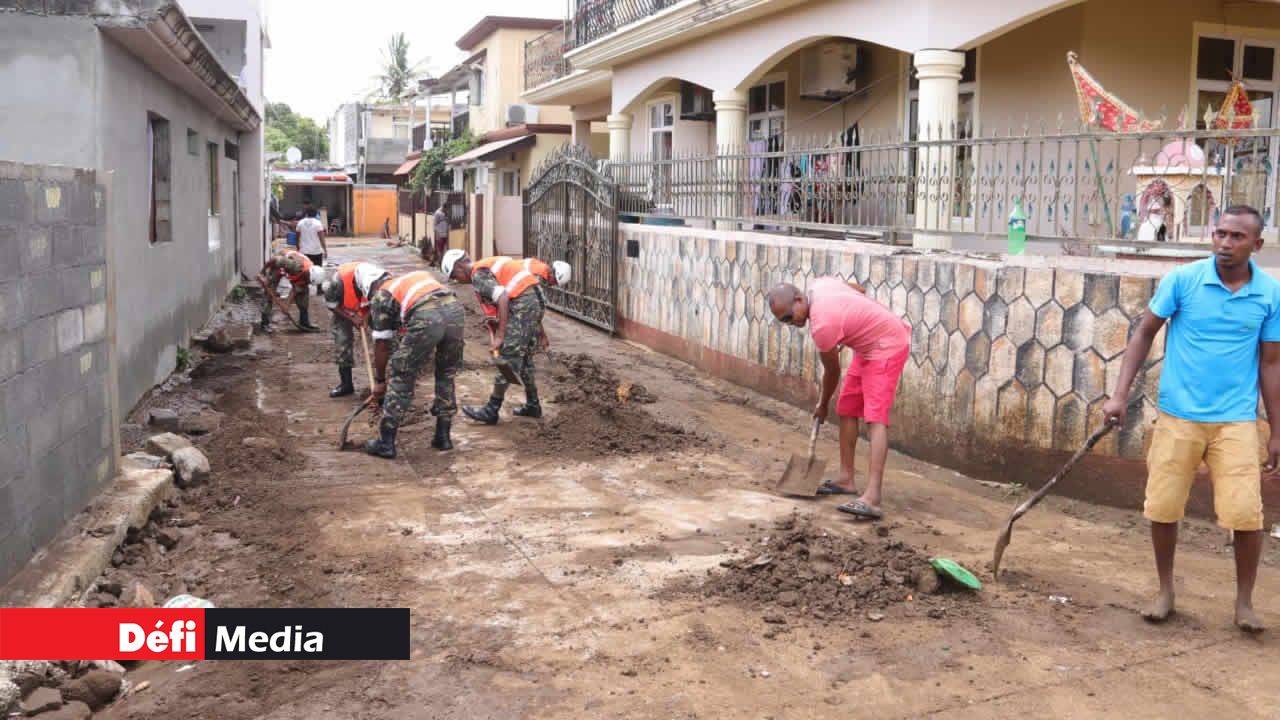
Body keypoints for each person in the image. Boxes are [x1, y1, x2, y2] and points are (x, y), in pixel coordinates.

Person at [1103, 205, 1280, 634]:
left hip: (1236, 421)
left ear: (1256, 245)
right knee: (1163, 507)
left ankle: (1244, 603)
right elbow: (1144, 333)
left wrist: (1277, 430)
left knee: (1246, 514)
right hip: (1178, 417)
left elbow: (1271, 364)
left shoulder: (1269, 294)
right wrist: (1119, 395)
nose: (1224, 243)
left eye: (1237, 237)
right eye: (1219, 233)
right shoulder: (1183, 280)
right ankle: (1165, 591)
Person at [767, 277, 912, 520]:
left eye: (790, 317)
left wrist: (822, 405)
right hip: (867, 345)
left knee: (875, 418)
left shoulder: (822, 326)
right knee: (847, 407)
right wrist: (851, 325)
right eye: (783, 321)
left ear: (800, 299)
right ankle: (846, 480)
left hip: (888, 344)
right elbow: (859, 289)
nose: (790, 324)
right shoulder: (818, 285)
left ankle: (873, 498)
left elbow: (832, 372)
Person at [442, 250, 571, 424]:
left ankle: (492, 409)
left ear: (459, 267)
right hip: (532, 302)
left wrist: (501, 336)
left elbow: (502, 297)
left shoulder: (478, 275)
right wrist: (538, 332)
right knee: (525, 359)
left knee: (508, 358)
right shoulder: (486, 265)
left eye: (455, 276)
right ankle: (533, 404)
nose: (457, 281)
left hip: (524, 304)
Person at [362, 269, 466, 458]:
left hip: (427, 316)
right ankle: (443, 436)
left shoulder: (381, 295)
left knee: (402, 372)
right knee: (446, 373)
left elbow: (383, 344)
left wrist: (380, 382)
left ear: (372, 289)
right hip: (455, 310)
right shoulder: (412, 279)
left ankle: (386, 442)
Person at [321, 261, 389, 398]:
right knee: (342, 340)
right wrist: (352, 318)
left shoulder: (379, 281)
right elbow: (332, 305)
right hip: (342, 309)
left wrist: (365, 318)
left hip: (367, 308)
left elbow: (374, 303)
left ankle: (385, 383)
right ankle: (346, 384)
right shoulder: (336, 284)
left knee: (384, 336)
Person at [257, 249, 321, 333]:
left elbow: (296, 289)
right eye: (308, 280)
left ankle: (304, 322)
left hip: (294, 271)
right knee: (269, 290)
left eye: (310, 282)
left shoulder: (309, 274)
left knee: (303, 292)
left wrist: (287, 306)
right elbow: (274, 260)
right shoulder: (295, 265)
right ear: (308, 274)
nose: (308, 282)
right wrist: (262, 273)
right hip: (278, 266)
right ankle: (264, 323)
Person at [296, 208, 328, 291]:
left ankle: (304, 289)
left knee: (304, 271)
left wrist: (298, 248)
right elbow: (321, 238)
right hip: (316, 251)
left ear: (306, 214)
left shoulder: (300, 223)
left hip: (304, 252)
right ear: (315, 214)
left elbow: (297, 237)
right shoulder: (318, 223)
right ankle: (319, 289)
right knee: (318, 270)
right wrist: (325, 250)